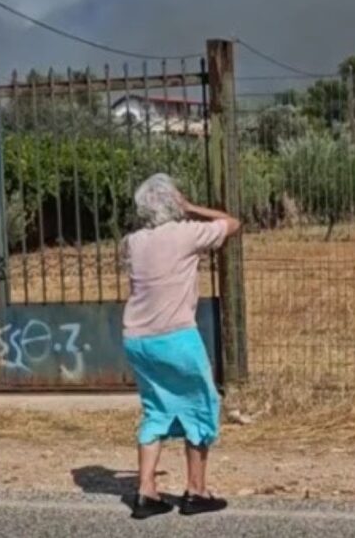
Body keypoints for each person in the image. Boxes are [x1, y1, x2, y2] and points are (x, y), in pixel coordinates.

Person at [120, 173, 241, 519]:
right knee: (201, 405)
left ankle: (145, 491)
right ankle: (196, 490)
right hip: (175, 336)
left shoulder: (133, 242)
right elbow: (232, 223)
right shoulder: (185, 234)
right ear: (173, 202)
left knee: (156, 409)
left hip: (137, 338)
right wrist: (190, 207)